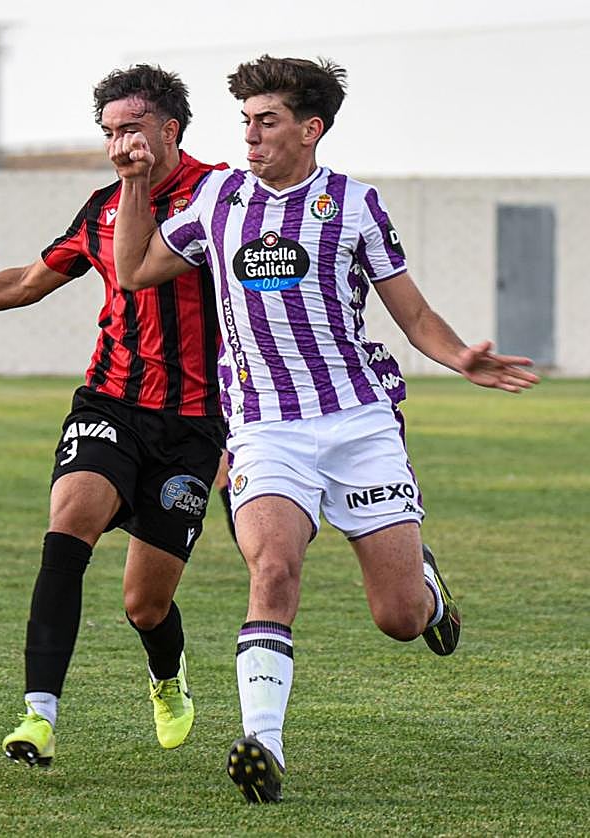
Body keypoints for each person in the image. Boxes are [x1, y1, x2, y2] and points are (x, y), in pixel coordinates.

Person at [109, 55, 540, 804]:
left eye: (266, 120)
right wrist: (135, 181)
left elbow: (411, 315)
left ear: (309, 130)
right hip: (264, 429)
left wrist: (459, 355)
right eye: (244, 119)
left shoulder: (354, 205)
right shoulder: (216, 199)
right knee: (271, 570)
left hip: (357, 424)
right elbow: (137, 270)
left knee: (397, 618)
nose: (250, 134)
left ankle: (428, 593)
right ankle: (261, 745)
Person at [0, 65, 227, 766]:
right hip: (109, 402)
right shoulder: (102, 207)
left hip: (193, 423)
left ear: (170, 129)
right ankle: (38, 716)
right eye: (107, 132)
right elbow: (28, 281)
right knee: (69, 524)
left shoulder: (222, 196)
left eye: (130, 128)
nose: (117, 144)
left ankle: (166, 677)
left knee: (144, 605)